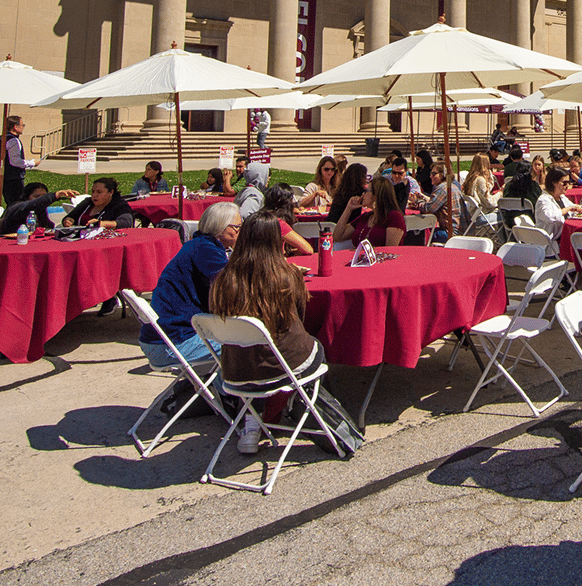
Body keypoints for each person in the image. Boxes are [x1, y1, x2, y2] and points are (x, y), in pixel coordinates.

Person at [207, 211, 321, 454]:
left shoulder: (223, 279)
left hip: (235, 371)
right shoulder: (287, 276)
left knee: (255, 350)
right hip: (280, 367)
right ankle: (309, 412)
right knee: (314, 346)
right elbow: (299, 322)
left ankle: (251, 424)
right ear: (275, 242)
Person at [139, 202, 241, 368]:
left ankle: (212, 389)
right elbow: (234, 292)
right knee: (248, 346)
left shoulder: (198, 244)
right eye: (236, 227)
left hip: (158, 339)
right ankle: (229, 392)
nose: (239, 231)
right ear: (221, 227)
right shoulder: (208, 251)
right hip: (172, 344)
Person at [333, 174, 407, 247]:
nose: (363, 194)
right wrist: (348, 209)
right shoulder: (367, 217)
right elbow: (338, 236)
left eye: (367, 191)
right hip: (358, 258)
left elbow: (390, 249)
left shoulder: (394, 217)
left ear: (377, 194)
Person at [0, 182, 72, 234]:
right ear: (26, 197)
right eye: (37, 197)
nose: (41, 200)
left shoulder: (40, 210)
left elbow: (48, 227)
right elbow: (31, 205)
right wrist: (54, 196)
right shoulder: (18, 208)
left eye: (43, 196)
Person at [529, 167, 573, 255]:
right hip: (550, 246)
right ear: (554, 183)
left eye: (568, 182)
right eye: (564, 183)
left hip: (563, 240)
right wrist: (569, 209)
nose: (567, 185)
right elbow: (550, 217)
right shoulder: (543, 200)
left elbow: (573, 210)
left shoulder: (562, 197)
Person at [63, 177, 137, 230]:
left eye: (99, 192)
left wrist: (100, 224)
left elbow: (126, 223)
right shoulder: (88, 202)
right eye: (93, 192)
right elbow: (70, 216)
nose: (95, 195)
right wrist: (68, 221)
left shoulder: (120, 205)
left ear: (111, 192)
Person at [0, 116, 36, 206]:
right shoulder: (13, 140)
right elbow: (15, 161)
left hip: (4, 177)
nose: (23, 127)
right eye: (22, 125)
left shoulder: (0, 139)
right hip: (13, 178)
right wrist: (32, 163)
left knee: (11, 203)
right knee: (17, 204)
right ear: (15, 127)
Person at [465, 152, 499, 225]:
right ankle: (505, 237)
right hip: (480, 216)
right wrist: (500, 194)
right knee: (505, 215)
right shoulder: (480, 180)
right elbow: (488, 202)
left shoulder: (470, 177)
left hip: (472, 214)